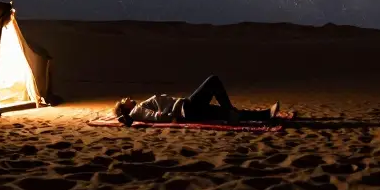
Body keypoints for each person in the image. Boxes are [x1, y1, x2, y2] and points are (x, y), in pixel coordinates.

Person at [114, 75, 280, 124]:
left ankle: (265, 115)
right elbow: (157, 117)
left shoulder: (139, 107)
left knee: (225, 114)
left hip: (189, 110)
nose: (128, 98)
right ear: (125, 108)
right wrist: (169, 115)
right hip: (187, 108)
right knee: (213, 81)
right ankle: (235, 110)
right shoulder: (136, 110)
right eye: (124, 100)